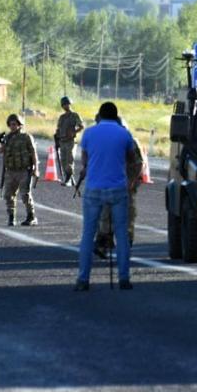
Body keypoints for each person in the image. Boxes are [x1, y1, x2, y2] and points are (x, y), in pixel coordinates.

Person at [74, 102, 138, 291]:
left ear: (100, 116)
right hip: (118, 188)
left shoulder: (89, 133)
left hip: (94, 188)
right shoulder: (124, 134)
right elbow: (132, 159)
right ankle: (124, 278)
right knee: (121, 235)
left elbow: (85, 160)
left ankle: (83, 279)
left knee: (88, 234)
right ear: (116, 116)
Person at [95, 117, 144, 258]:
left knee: (126, 216)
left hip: (127, 185)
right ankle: (104, 244)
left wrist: (131, 182)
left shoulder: (131, 143)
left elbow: (139, 164)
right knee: (105, 214)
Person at [1, 114, 39, 227]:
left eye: (15, 124)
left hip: (24, 170)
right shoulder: (7, 138)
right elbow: (1, 151)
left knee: (25, 195)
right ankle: (11, 217)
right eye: (11, 124)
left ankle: (31, 216)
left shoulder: (26, 137)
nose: (12, 126)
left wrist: (36, 169)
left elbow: (33, 153)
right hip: (10, 171)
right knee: (8, 195)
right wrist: (0, 145)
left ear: (19, 125)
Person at [54, 96, 84, 185]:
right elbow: (58, 130)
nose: (65, 106)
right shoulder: (62, 117)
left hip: (70, 141)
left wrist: (74, 132)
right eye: (63, 105)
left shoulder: (75, 115)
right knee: (63, 160)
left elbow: (81, 126)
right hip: (62, 141)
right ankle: (69, 178)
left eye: (66, 104)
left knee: (69, 161)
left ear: (70, 104)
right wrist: (57, 140)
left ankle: (67, 180)